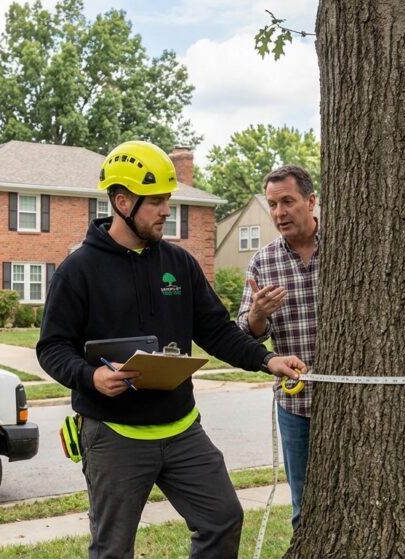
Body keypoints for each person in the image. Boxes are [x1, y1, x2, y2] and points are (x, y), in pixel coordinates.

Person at [37, 140, 307, 559]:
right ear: (122, 202)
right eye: (156, 202)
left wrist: (266, 358)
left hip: (182, 429)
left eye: (168, 200)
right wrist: (91, 376)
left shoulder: (179, 264)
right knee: (112, 550)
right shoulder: (79, 270)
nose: (167, 210)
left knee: (222, 519)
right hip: (114, 434)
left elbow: (216, 330)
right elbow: (52, 347)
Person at [237, 164, 319, 533]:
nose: (279, 212)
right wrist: (257, 314)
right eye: (272, 204)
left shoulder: (349, 250)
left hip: (352, 403)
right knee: (303, 501)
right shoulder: (262, 261)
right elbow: (247, 334)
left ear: (311, 201)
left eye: (288, 201)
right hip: (296, 404)